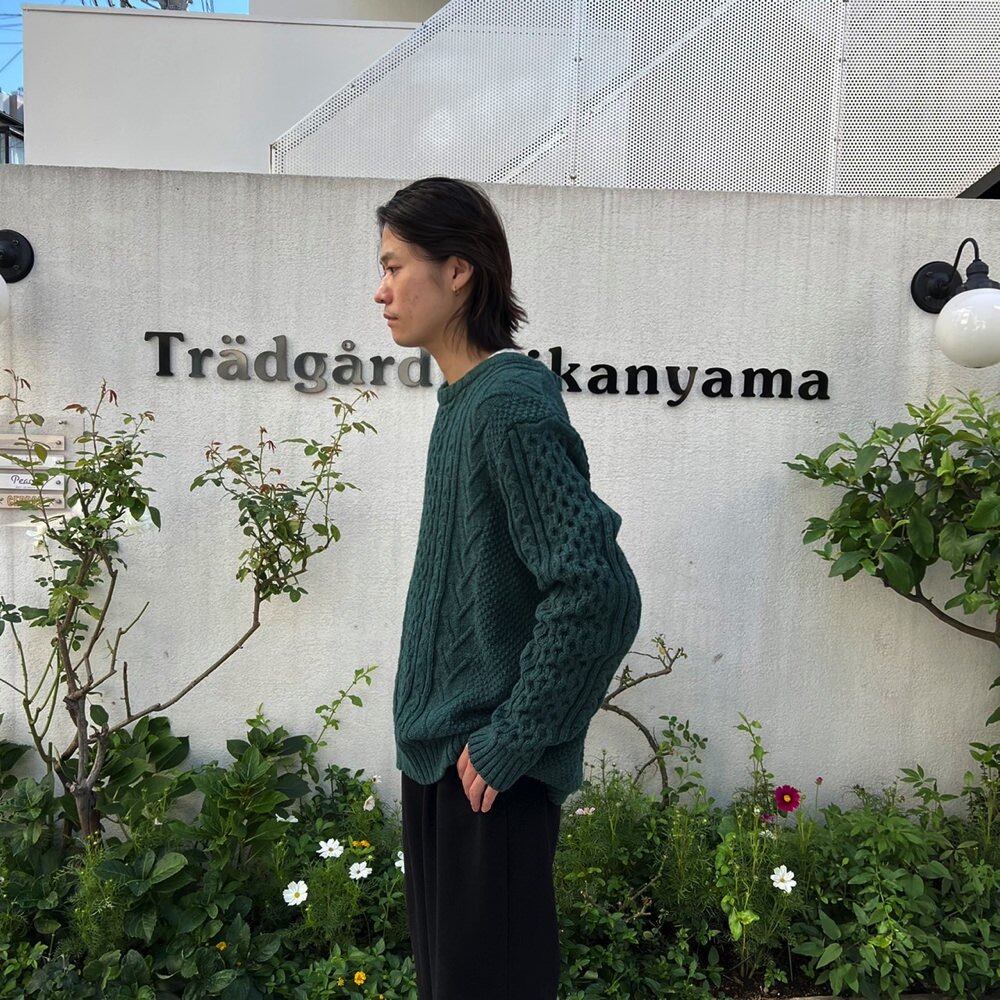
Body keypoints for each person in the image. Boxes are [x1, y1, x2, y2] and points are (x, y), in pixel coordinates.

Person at [373, 176, 642, 1000]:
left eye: (394, 266)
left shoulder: (507, 406)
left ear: (458, 271)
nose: (381, 291)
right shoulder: (463, 402)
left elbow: (596, 590)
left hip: (486, 774)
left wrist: (513, 736)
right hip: (446, 764)